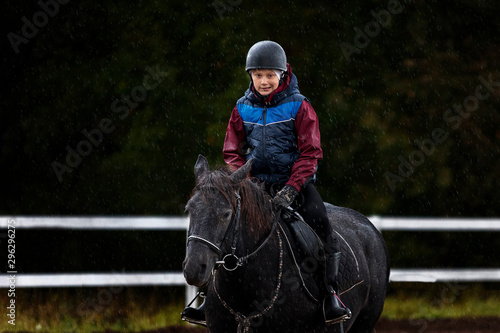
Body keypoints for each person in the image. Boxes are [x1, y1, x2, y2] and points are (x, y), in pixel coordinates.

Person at [182, 40, 351, 326]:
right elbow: (232, 152)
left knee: (323, 227)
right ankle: (208, 296)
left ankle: (331, 295)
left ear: (283, 74)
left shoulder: (300, 106)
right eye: (258, 75)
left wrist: (292, 188)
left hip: (295, 186)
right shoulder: (241, 108)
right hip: (253, 188)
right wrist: (242, 183)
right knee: (224, 231)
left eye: (269, 75)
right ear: (251, 76)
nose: (263, 81)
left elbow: (311, 153)